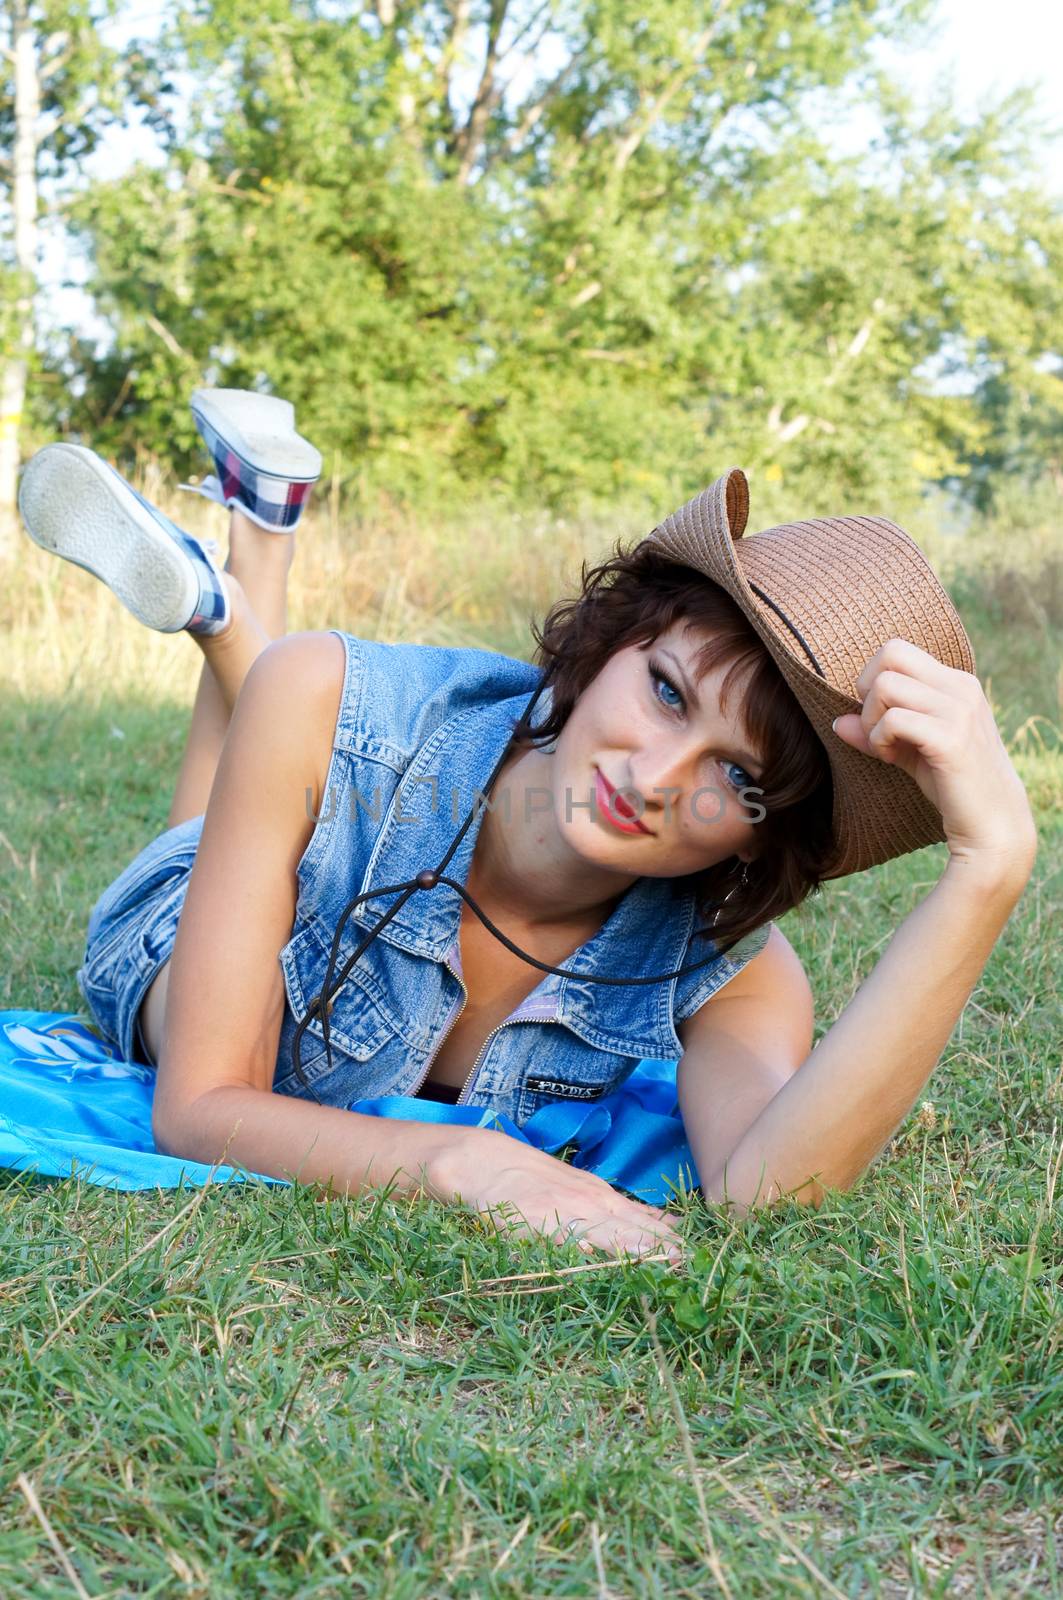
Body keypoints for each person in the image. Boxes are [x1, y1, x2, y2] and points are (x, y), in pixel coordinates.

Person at [18, 390, 1037, 1264]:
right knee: (253, 774)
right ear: (609, 643)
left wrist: (989, 867)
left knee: (275, 752)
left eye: (736, 775)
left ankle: (238, 578)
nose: (652, 776)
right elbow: (198, 1108)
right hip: (179, 912)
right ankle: (239, 610)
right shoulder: (337, 699)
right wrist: (462, 1162)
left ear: (761, 837)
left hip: (297, 791)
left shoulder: (735, 974)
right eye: (667, 692)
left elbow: (768, 1195)